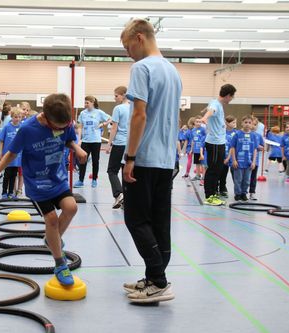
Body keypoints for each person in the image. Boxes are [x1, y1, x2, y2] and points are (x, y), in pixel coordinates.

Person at [0, 93, 87, 285]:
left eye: (64, 126)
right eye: (56, 127)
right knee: (51, 219)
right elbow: (11, 155)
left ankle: (52, 239)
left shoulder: (65, 123)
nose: (61, 129)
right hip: (37, 184)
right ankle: (60, 263)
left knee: (71, 208)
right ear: (44, 116)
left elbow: (67, 139)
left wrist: (76, 148)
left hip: (57, 178)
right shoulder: (27, 130)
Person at [120, 18, 182, 303]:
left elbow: (139, 115)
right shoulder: (173, 71)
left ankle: (159, 280)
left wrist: (130, 157)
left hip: (144, 158)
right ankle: (152, 277)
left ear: (140, 37)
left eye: (127, 45)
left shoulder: (141, 68)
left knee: (135, 219)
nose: (127, 52)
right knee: (159, 222)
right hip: (166, 159)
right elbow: (174, 118)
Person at [200, 84, 237, 206]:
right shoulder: (216, 105)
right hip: (214, 143)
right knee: (213, 170)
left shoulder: (216, 103)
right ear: (227, 95)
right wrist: (205, 117)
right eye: (232, 97)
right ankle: (209, 196)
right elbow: (211, 111)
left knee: (217, 169)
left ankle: (213, 193)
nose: (232, 99)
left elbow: (210, 108)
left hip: (219, 142)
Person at [74, 95, 111, 188]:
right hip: (86, 141)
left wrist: (103, 124)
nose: (85, 104)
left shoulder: (99, 112)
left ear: (92, 103)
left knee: (95, 161)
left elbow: (110, 119)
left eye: (87, 103)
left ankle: (94, 180)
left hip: (96, 141)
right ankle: (80, 180)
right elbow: (80, 126)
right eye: (85, 103)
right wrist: (79, 139)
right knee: (83, 160)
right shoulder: (83, 113)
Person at [106, 86, 130, 209]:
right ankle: (127, 199)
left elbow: (114, 128)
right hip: (130, 145)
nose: (115, 98)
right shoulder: (134, 108)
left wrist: (109, 144)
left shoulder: (118, 108)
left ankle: (118, 194)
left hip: (120, 143)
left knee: (112, 171)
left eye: (116, 95)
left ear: (123, 95)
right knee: (126, 171)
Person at [230, 115, 257, 201]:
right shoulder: (237, 134)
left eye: (250, 123)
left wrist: (253, 162)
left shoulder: (253, 136)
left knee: (246, 180)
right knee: (238, 180)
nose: (247, 124)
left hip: (248, 163)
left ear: (252, 124)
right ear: (242, 123)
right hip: (238, 162)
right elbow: (232, 147)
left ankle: (244, 193)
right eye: (246, 122)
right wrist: (234, 160)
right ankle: (237, 194)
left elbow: (255, 149)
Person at [0, 107, 23, 199]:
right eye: (16, 117)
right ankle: (4, 192)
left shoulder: (21, 127)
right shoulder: (6, 127)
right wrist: (0, 152)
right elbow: (1, 141)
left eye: (19, 117)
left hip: (17, 156)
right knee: (7, 174)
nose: (18, 119)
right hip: (7, 155)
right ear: (12, 117)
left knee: (14, 174)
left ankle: (11, 193)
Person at [218, 115, 237, 198]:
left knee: (235, 175)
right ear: (227, 123)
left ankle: (238, 190)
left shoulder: (236, 133)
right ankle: (222, 188)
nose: (235, 124)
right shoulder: (222, 132)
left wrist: (230, 158)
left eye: (235, 122)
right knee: (223, 174)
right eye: (233, 122)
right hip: (223, 156)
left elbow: (234, 146)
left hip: (232, 157)